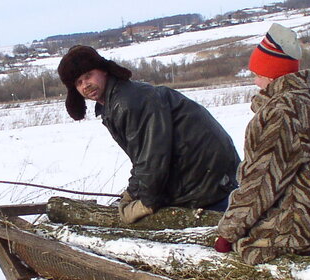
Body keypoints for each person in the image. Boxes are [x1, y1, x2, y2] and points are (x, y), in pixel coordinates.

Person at [214, 24, 310, 275]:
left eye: (258, 73)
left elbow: (259, 184)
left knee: (243, 252)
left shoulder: (280, 112)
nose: (255, 81)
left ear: (272, 74)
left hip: (303, 229)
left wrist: (227, 234)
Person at [57, 45, 240, 224]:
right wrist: (133, 191)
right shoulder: (114, 103)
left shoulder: (128, 101)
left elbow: (153, 157)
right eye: (78, 83)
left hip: (205, 178)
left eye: (88, 76)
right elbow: (142, 156)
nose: (85, 85)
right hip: (203, 174)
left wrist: (146, 201)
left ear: (104, 70)